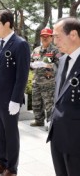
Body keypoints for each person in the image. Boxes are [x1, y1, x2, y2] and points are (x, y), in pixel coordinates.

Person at [0, 10, 30, 176]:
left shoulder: (20, 44)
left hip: (10, 100)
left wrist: (16, 99)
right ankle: (2, 162)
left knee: (11, 135)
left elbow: (22, 74)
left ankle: (11, 168)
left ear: (7, 23)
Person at [47, 17, 80, 176]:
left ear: (73, 35)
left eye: (57, 36)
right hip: (58, 135)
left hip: (76, 140)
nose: (54, 41)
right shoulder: (63, 60)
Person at [30, 28, 61, 128]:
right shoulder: (36, 50)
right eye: (43, 36)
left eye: (47, 36)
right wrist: (32, 65)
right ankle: (38, 120)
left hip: (49, 83)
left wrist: (48, 65)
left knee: (49, 104)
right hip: (36, 81)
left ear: (51, 37)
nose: (45, 38)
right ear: (40, 37)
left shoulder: (55, 50)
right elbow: (30, 62)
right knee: (36, 103)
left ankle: (51, 122)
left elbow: (59, 64)